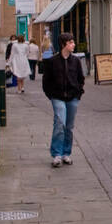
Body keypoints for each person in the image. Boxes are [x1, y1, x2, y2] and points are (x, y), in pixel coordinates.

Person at [41, 32, 85, 167]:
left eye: (73, 42)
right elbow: (46, 81)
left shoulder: (76, 61)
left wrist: (78, 94)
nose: (73, 44)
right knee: (60, 123)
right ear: (63, 44)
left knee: (69, 126)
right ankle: (57, 154)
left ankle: (66, 153)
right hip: (57, 97)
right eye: (71, 42)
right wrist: (51, 95)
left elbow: (80, 79)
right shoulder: (53, 62)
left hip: (72, 97)